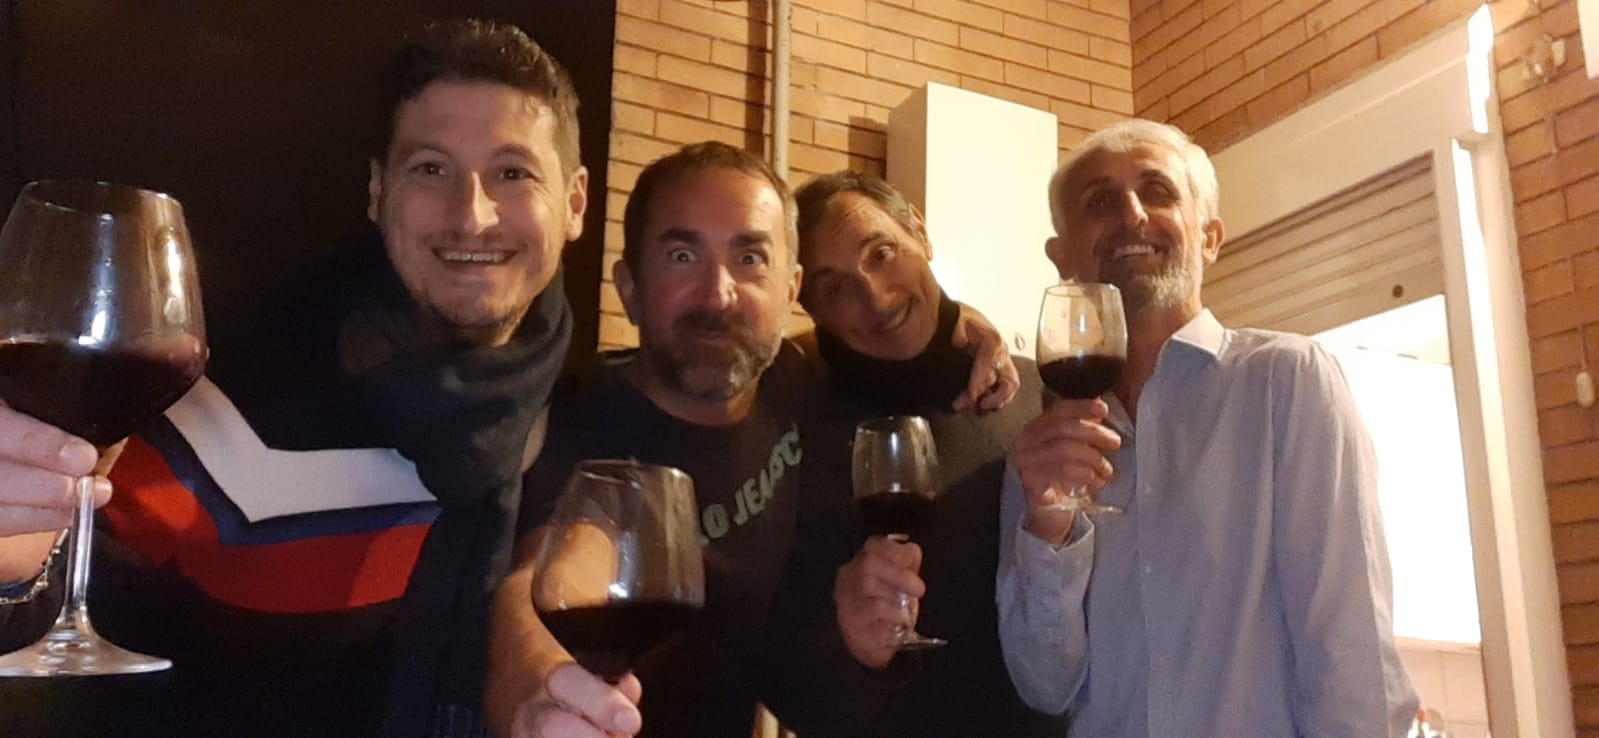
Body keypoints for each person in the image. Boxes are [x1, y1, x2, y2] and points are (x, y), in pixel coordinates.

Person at [0, 19, 586, 737]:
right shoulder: (227, 402)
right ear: (377, 191)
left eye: (513, 173)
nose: (472, 215)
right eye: (431, 169)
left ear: (575, 203)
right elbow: (65, 647)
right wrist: (15, 570)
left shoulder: (589, 416)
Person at [484, 144, 1017, 738]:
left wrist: (966, 326)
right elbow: (535, 586)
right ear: (629, 287)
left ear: (790, 291)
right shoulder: (583, 424)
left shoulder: (789, 377)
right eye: (682, 256)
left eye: (749, 258)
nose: (719, 295)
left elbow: (888, 326)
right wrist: (537, 698)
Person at [995, 118, 1418, 737]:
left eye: (1157, 191)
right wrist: (1048, 529)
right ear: (1063, 259)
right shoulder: (1044, 450)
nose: (1132, 214)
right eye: (1100, 202)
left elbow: (1353, 652)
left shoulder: (1286, 382)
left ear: (1210, 237)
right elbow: (1045, 686)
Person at [759, 170, 1064, 737]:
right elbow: (781, 677)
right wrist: (853, 651)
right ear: (808, 304)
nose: (875, 298)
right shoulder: (791, 428)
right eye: (834, 288)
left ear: (920, 232)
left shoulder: (1033, 397)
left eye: (882, 253)